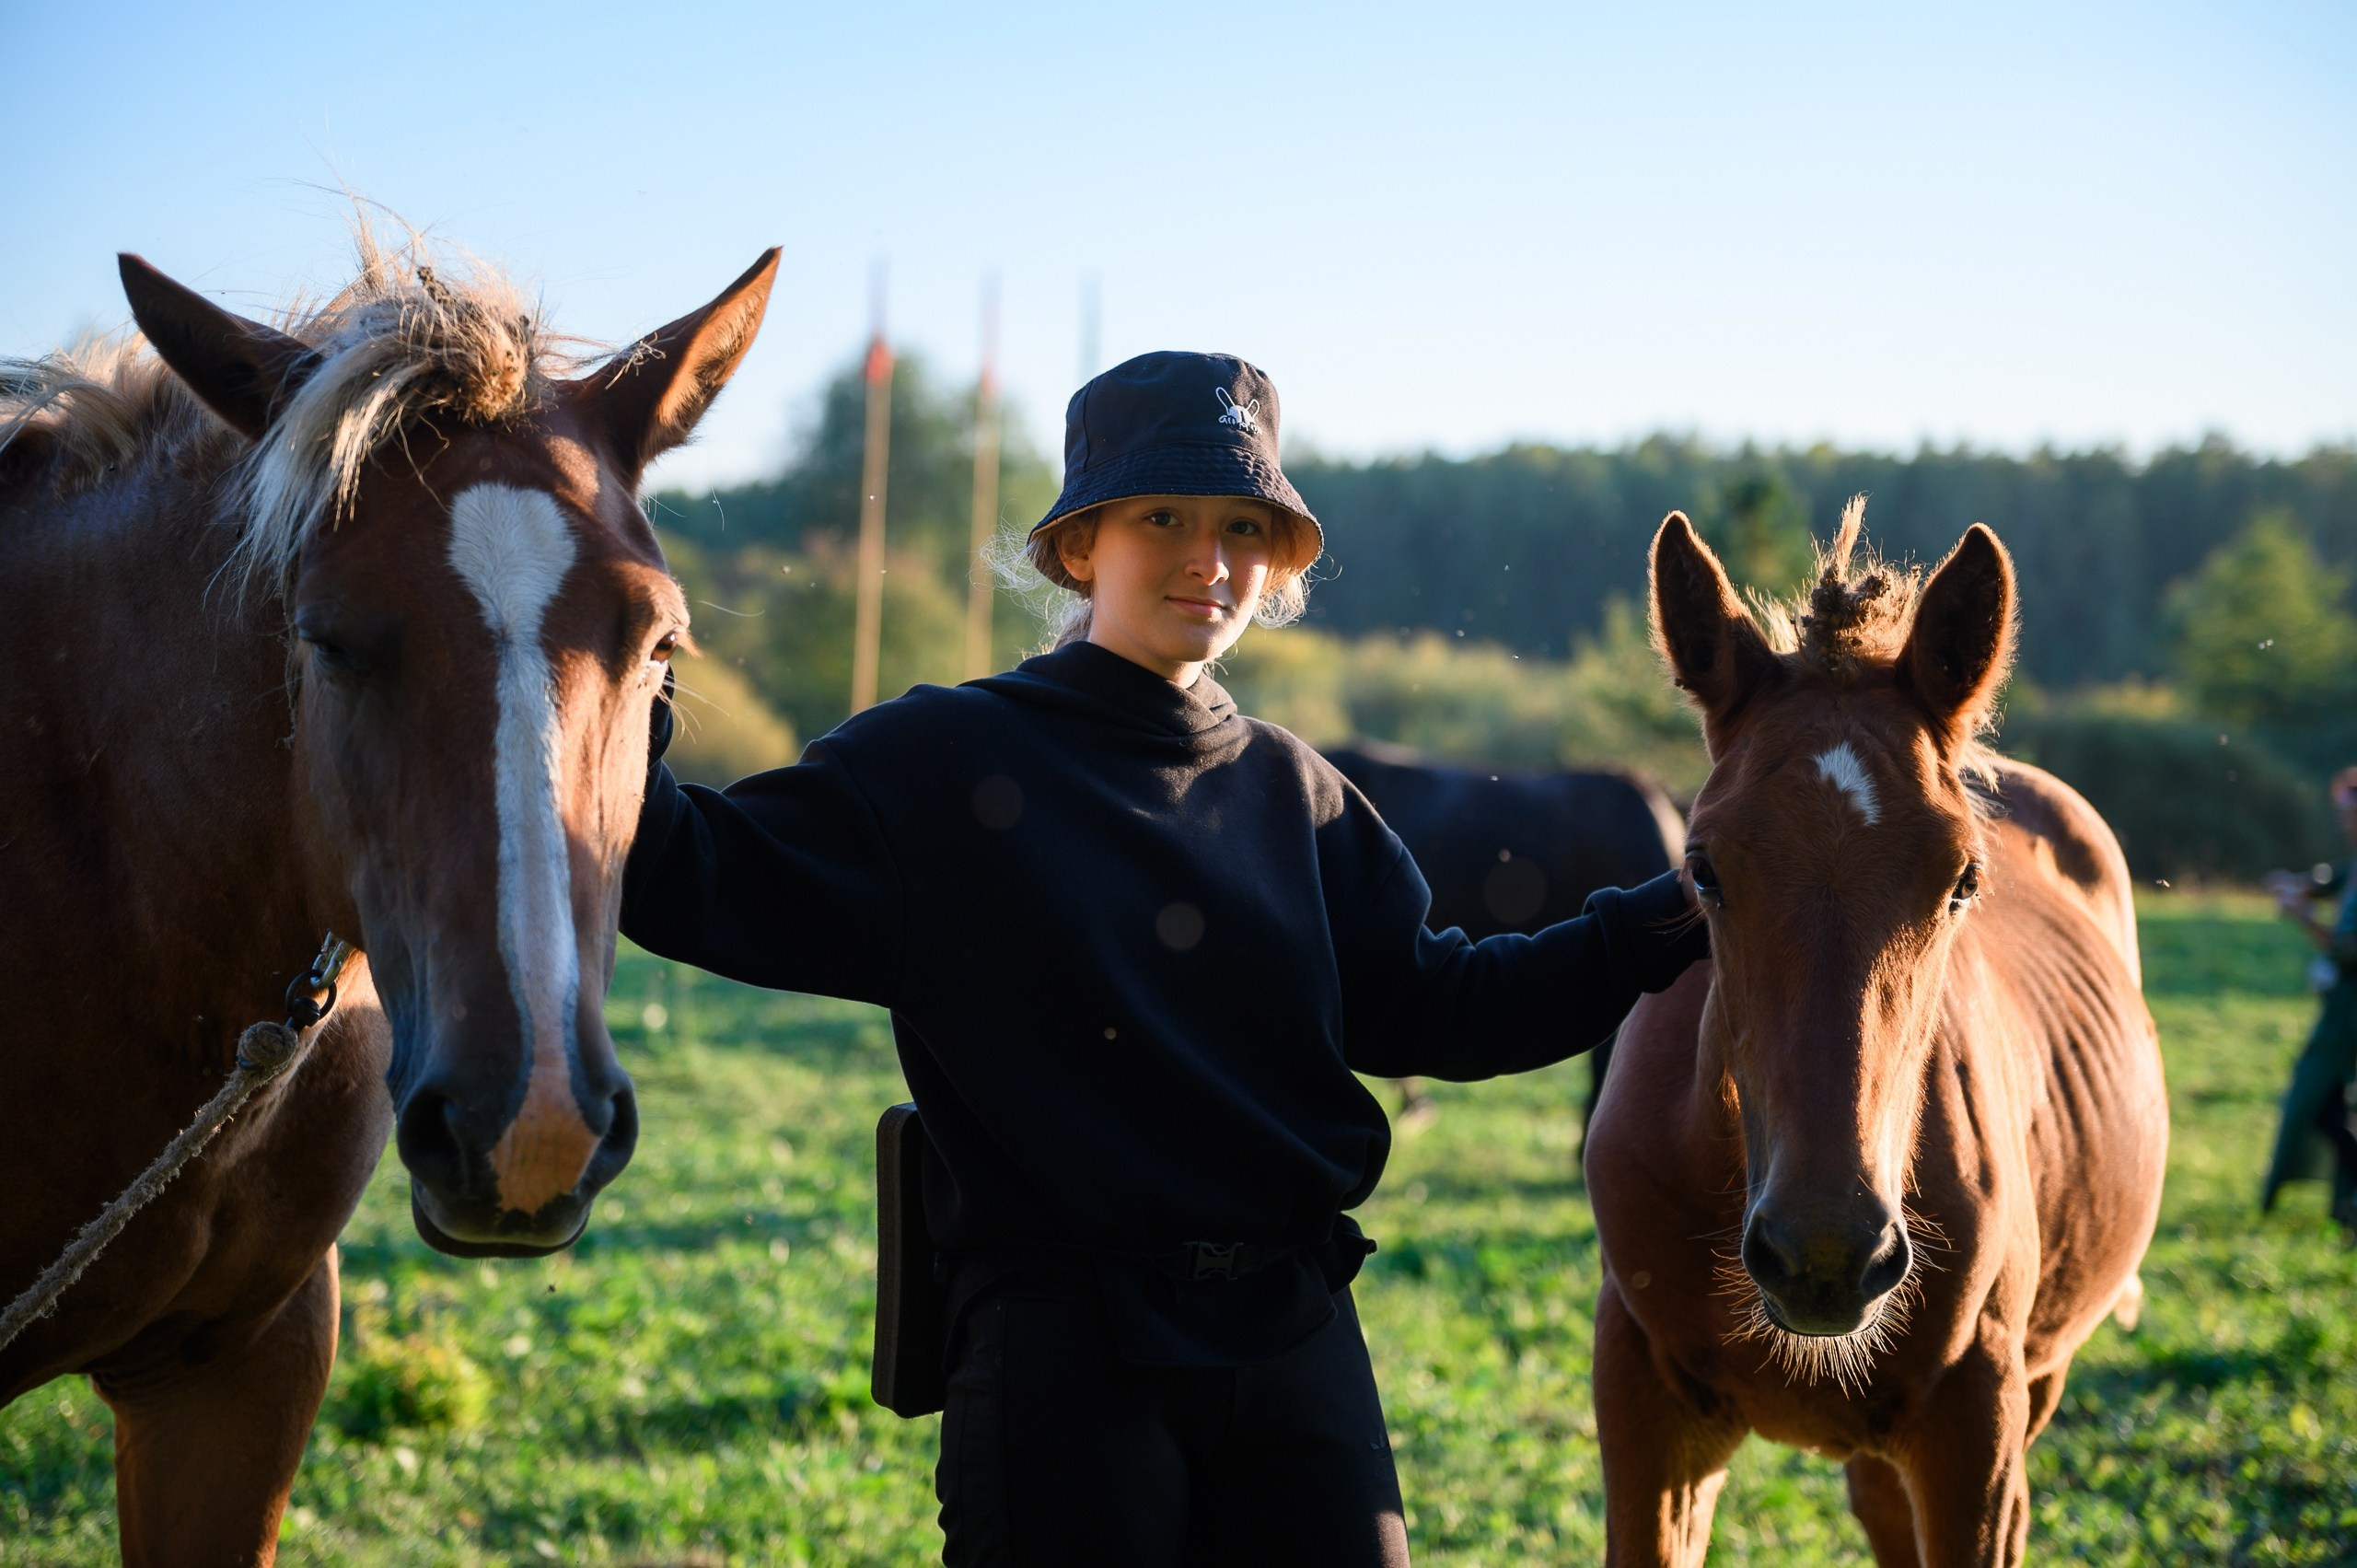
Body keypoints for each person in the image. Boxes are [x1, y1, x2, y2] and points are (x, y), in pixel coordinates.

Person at [620, 351, 1708, 1565]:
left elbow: (1443, 1006)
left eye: (1245, 524)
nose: (1209, 557)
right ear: (1081, 544)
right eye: (1163, 516)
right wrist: (620, 678)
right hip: (1060, 1350)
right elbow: (685, 871)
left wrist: (1681, 905)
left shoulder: (1302, 794)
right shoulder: (938, 759)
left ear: (1281, 566)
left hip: (1295, 1336)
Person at [2260, 766, 2357, 1239]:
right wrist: (2299, 883)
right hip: (2342, 1008)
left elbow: (2348, 949)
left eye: (2349, 814)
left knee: (2322, 1104)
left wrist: (2302, 917)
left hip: (2351, 1010)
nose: (2344, 823)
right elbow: (2332, 879)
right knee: (2329, 1102)